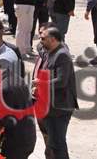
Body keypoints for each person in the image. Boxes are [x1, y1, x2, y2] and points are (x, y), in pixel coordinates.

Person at [34, 27, 78, 159]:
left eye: (43, 38)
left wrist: (40, 83)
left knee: (58, 143)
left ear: (53, 39)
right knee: (53, 143)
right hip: (51, 106)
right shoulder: (50, 51)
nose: (40, 41)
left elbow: (61, 81)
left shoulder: (62, 55)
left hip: (60, 107)